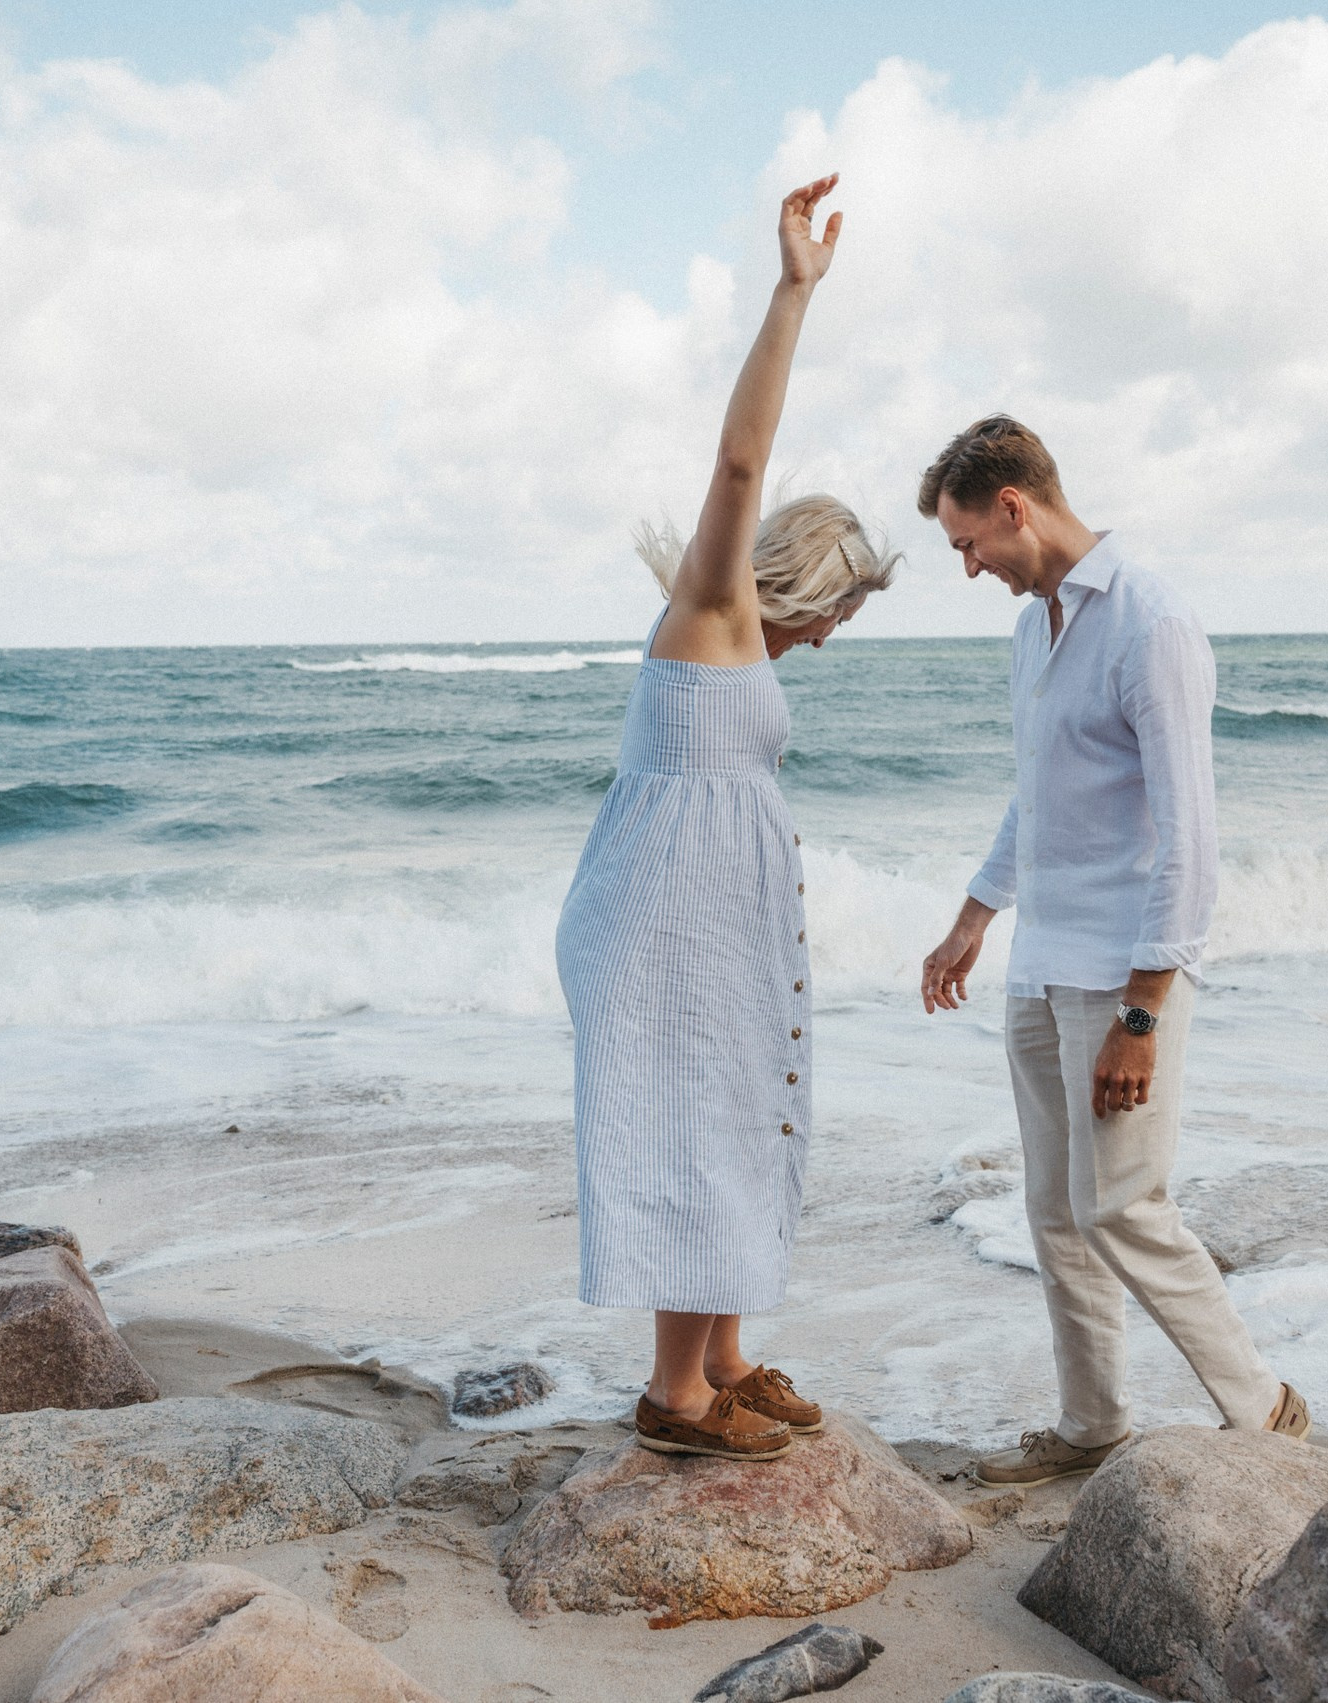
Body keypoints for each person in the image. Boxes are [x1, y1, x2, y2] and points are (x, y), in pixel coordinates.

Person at [555, 176, 899, 1463]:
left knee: (744, 1110)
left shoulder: (744, 645)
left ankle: (727, 1359)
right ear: (798, 580)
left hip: (710, 917)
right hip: (662, 927)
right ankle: (673, 1395)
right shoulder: (713, 611)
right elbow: (740, 459)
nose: (828, 637)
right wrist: (792, 295)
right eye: (837, 612)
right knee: (695, 1128)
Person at [916, 415, 1308, 1487]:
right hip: (1042, 962)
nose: (967, 566)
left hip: (1119, 974)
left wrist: (1143, 1009)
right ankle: (1091, 1423)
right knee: (1054, 1211)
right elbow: (1036, 792)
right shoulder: (1033, 627)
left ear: (1014, 507)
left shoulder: (1151, 623)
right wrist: (974, 912)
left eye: (968, 543)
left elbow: (1189, 835)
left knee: (1122, 1204)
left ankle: (1264, 1409)